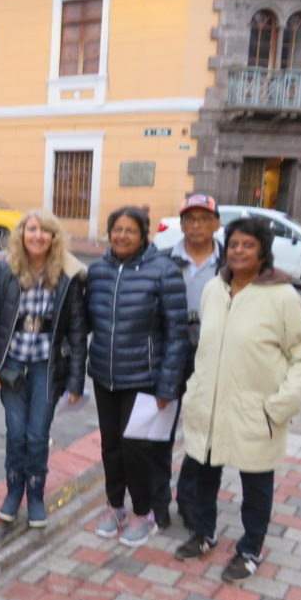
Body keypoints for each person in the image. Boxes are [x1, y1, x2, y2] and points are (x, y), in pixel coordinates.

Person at [174, 216, 301, 584]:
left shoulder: (282, 296)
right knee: (204, 475)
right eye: (234, 244)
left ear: (263, 252)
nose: (239, 251)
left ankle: (251, 548)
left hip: (258, 411)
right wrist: (195, 390)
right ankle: (204, 533)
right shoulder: (213, 290)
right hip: (209, 405)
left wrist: (281, 405)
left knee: (256, 486)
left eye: (248, 245)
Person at [87, 205, 188, 547]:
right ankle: (115, 506)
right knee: (111, 447)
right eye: (117, 229)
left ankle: (143, 513)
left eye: (130, 230)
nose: (122, 236)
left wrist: (167, 384)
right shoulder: (98, 270)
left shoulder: (164, 271)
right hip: (105, 375)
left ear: (144, 234)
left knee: (138, 450)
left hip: (144, 378)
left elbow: (177, 333)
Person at [0, 210, 88, 528]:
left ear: (54, 238)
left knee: (37, 435)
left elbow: (78, 333)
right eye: (31, 229)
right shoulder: (5, 270)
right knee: (16, 434)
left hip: (47, 364)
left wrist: (76, 381)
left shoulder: (67, 276)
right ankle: (14, 492)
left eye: (44, 231)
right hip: (11, 362)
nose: (37, 235)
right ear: (21, 234)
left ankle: (36, 494)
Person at [168, 194, 223, 527]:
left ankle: (193, 502)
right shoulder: (164, 260)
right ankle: (157, 500)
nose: (197, 225)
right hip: (170, 355)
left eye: (204, 219)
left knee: (205, 434)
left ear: (216, 224)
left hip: (211, 358)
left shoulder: (229, 265)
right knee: (158, 434)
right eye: (190, 219)